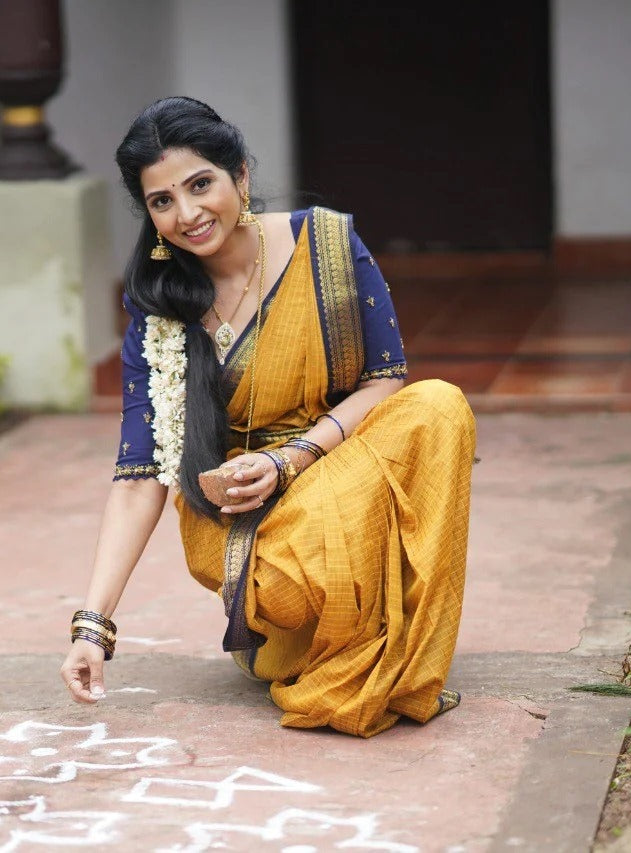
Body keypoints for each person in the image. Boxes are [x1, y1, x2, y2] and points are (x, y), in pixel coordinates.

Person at [60, 96, 476, 738]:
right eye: (161, 201)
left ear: (241, 177)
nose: (188, 214)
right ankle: (304, 631)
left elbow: (386, 378)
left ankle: (367, 642)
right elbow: (141, 473)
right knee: (307, 557)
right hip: (244, 515)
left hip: (330, 460)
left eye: (202, 185)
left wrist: (293, 459)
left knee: (437, 405)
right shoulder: (160, 303)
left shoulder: (327, 243)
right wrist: (94, 626)